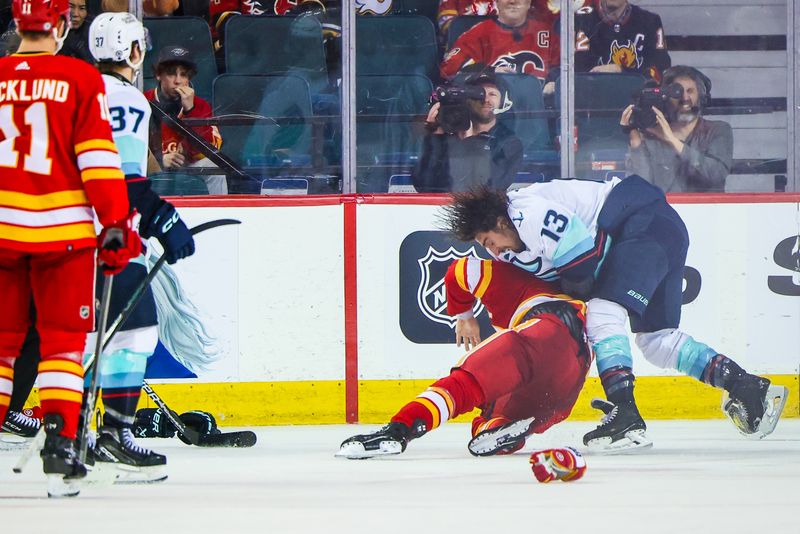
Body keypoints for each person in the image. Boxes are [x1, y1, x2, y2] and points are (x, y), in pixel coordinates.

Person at [439, 179, 789, 452]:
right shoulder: (512, 242)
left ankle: (625, 415)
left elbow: (581, 268)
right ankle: (748, 388)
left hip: (644, 223)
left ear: (502, 221)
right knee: (657, 342)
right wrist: (467, 313)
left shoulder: (528, 213)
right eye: (484, 247)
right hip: (655, 228)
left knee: (603, 314)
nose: (493, 251)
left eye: (489, 240)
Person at [0, 0, 139, 497]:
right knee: (61, 343)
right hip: (62, 236)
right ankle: (60, 445)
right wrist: (118, 225)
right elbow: (98, 161)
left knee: (1, 346)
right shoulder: (80, 79)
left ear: (18, 24)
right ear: (60, 26)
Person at [337, 255, 590, 475]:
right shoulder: (588, 297)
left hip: (547, 332)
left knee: (464, 385)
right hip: (570, 383)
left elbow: (459, 271)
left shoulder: (514, 277)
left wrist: (464, 316)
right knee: (496, 416)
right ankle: (498, 426)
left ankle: (399, 430)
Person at [88, 12, 196, 482]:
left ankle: (67, 433)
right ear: (135, 52)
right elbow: (127, 184)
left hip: (63, 231)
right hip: (111, 236)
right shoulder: (129, 100)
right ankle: (112, 434)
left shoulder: (77, 90)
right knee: (136, 334)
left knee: (69, 338)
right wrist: (162, 219)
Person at [623, 65, 733, 192]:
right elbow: (642, 189)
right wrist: (636, 144)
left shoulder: (718, 130)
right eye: (677, 92)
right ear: (666, 97)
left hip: (709, 210)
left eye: (690, 91)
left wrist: (672, 140)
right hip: (665, 210)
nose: (685, 98)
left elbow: (716, 174)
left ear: (701, 96)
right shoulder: (651, 136)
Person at [412, 67, 523, 192]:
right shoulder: (447, 135)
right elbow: (423, 185)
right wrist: (436, 136)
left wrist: (471, 142)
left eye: (492, 94)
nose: (485, 99)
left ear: (502, 102)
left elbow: (490, 187)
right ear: (468, 100)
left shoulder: (508, 143)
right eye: (478, 94)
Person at [145, 45, 227, 194]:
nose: (178, 81)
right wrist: (157, 160)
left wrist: (191, 110)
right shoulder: (143, 101)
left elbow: (211, 150)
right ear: (158, 75)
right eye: (171, 74)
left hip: (188, 167)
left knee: (215, 170)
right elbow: (131, 146)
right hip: (151, 168)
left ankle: (220, 214)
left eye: (183, 75)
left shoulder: (200, 105)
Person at [440, 0, 559, 96]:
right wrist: (489, 72)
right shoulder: (477, 34)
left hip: (537, 111)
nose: (513, 1)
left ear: (529, 2)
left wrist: (555, 82)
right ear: (496, 2)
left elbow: (567, 67)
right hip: (491, 113)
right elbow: (449, 69)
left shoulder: (547, 34)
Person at [574, 0, 670, 81]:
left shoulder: (650, 21)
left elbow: (660, 69)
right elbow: (574, 69)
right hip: (593, 94)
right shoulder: (580, 19)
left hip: (635, 96)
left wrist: (620, 70)